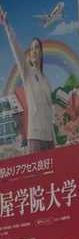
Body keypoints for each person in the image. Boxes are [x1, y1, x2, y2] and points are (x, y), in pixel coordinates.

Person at [0, 8, 54, 152]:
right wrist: (7, 26)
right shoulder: (28, 72)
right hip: (35, 137)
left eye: (37, 48)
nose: (34, 50)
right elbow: (16, 49)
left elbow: (49, 109)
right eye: (32, 48)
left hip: (50, 138)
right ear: (29, 55)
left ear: (41, 52)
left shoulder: (46, 80)